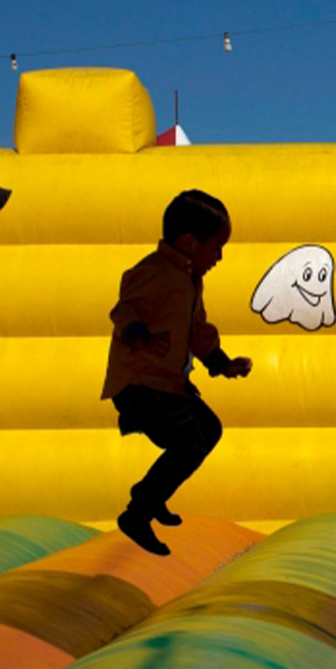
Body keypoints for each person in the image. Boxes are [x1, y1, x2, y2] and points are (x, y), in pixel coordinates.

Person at [101, 189, 251, 555]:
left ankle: (153, 495)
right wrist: (140, 338)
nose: (219, 257)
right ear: (188, 242)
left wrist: (221, 362)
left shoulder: (189, 281)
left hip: (168, 384)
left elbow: (197, 330)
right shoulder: (154, 272)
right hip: (140, 383)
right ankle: (138, 511)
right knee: (189, 443)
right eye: (216, 247)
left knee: (209, 430)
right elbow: (125, 310)